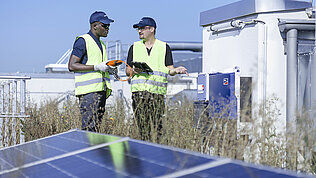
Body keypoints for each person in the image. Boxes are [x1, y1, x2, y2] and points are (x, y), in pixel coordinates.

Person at [125, 17, 188, 141]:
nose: (139, 31)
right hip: (139, 94)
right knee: (143, 129)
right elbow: (127, 71)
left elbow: (170, 69)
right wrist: (134, 70)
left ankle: (156, 151)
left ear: (152, 29)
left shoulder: (164, 47)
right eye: (138, 28)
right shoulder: (134, 47)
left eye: (142, 28)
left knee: (157, 129)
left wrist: (177, 70)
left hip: (157, 95)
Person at [68, 11, 116, 132]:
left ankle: (92, 150)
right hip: (89, 93)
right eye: (104, 25)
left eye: (108, 26)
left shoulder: (102, 44)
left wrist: (109, 69)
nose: (107, 28)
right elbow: (72, 65)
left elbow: (99, 67)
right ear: (94, 26)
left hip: (100, 91)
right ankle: (87, 150)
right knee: (90, 129)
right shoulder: (83, 40)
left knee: (96, 129)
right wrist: (96, 67)